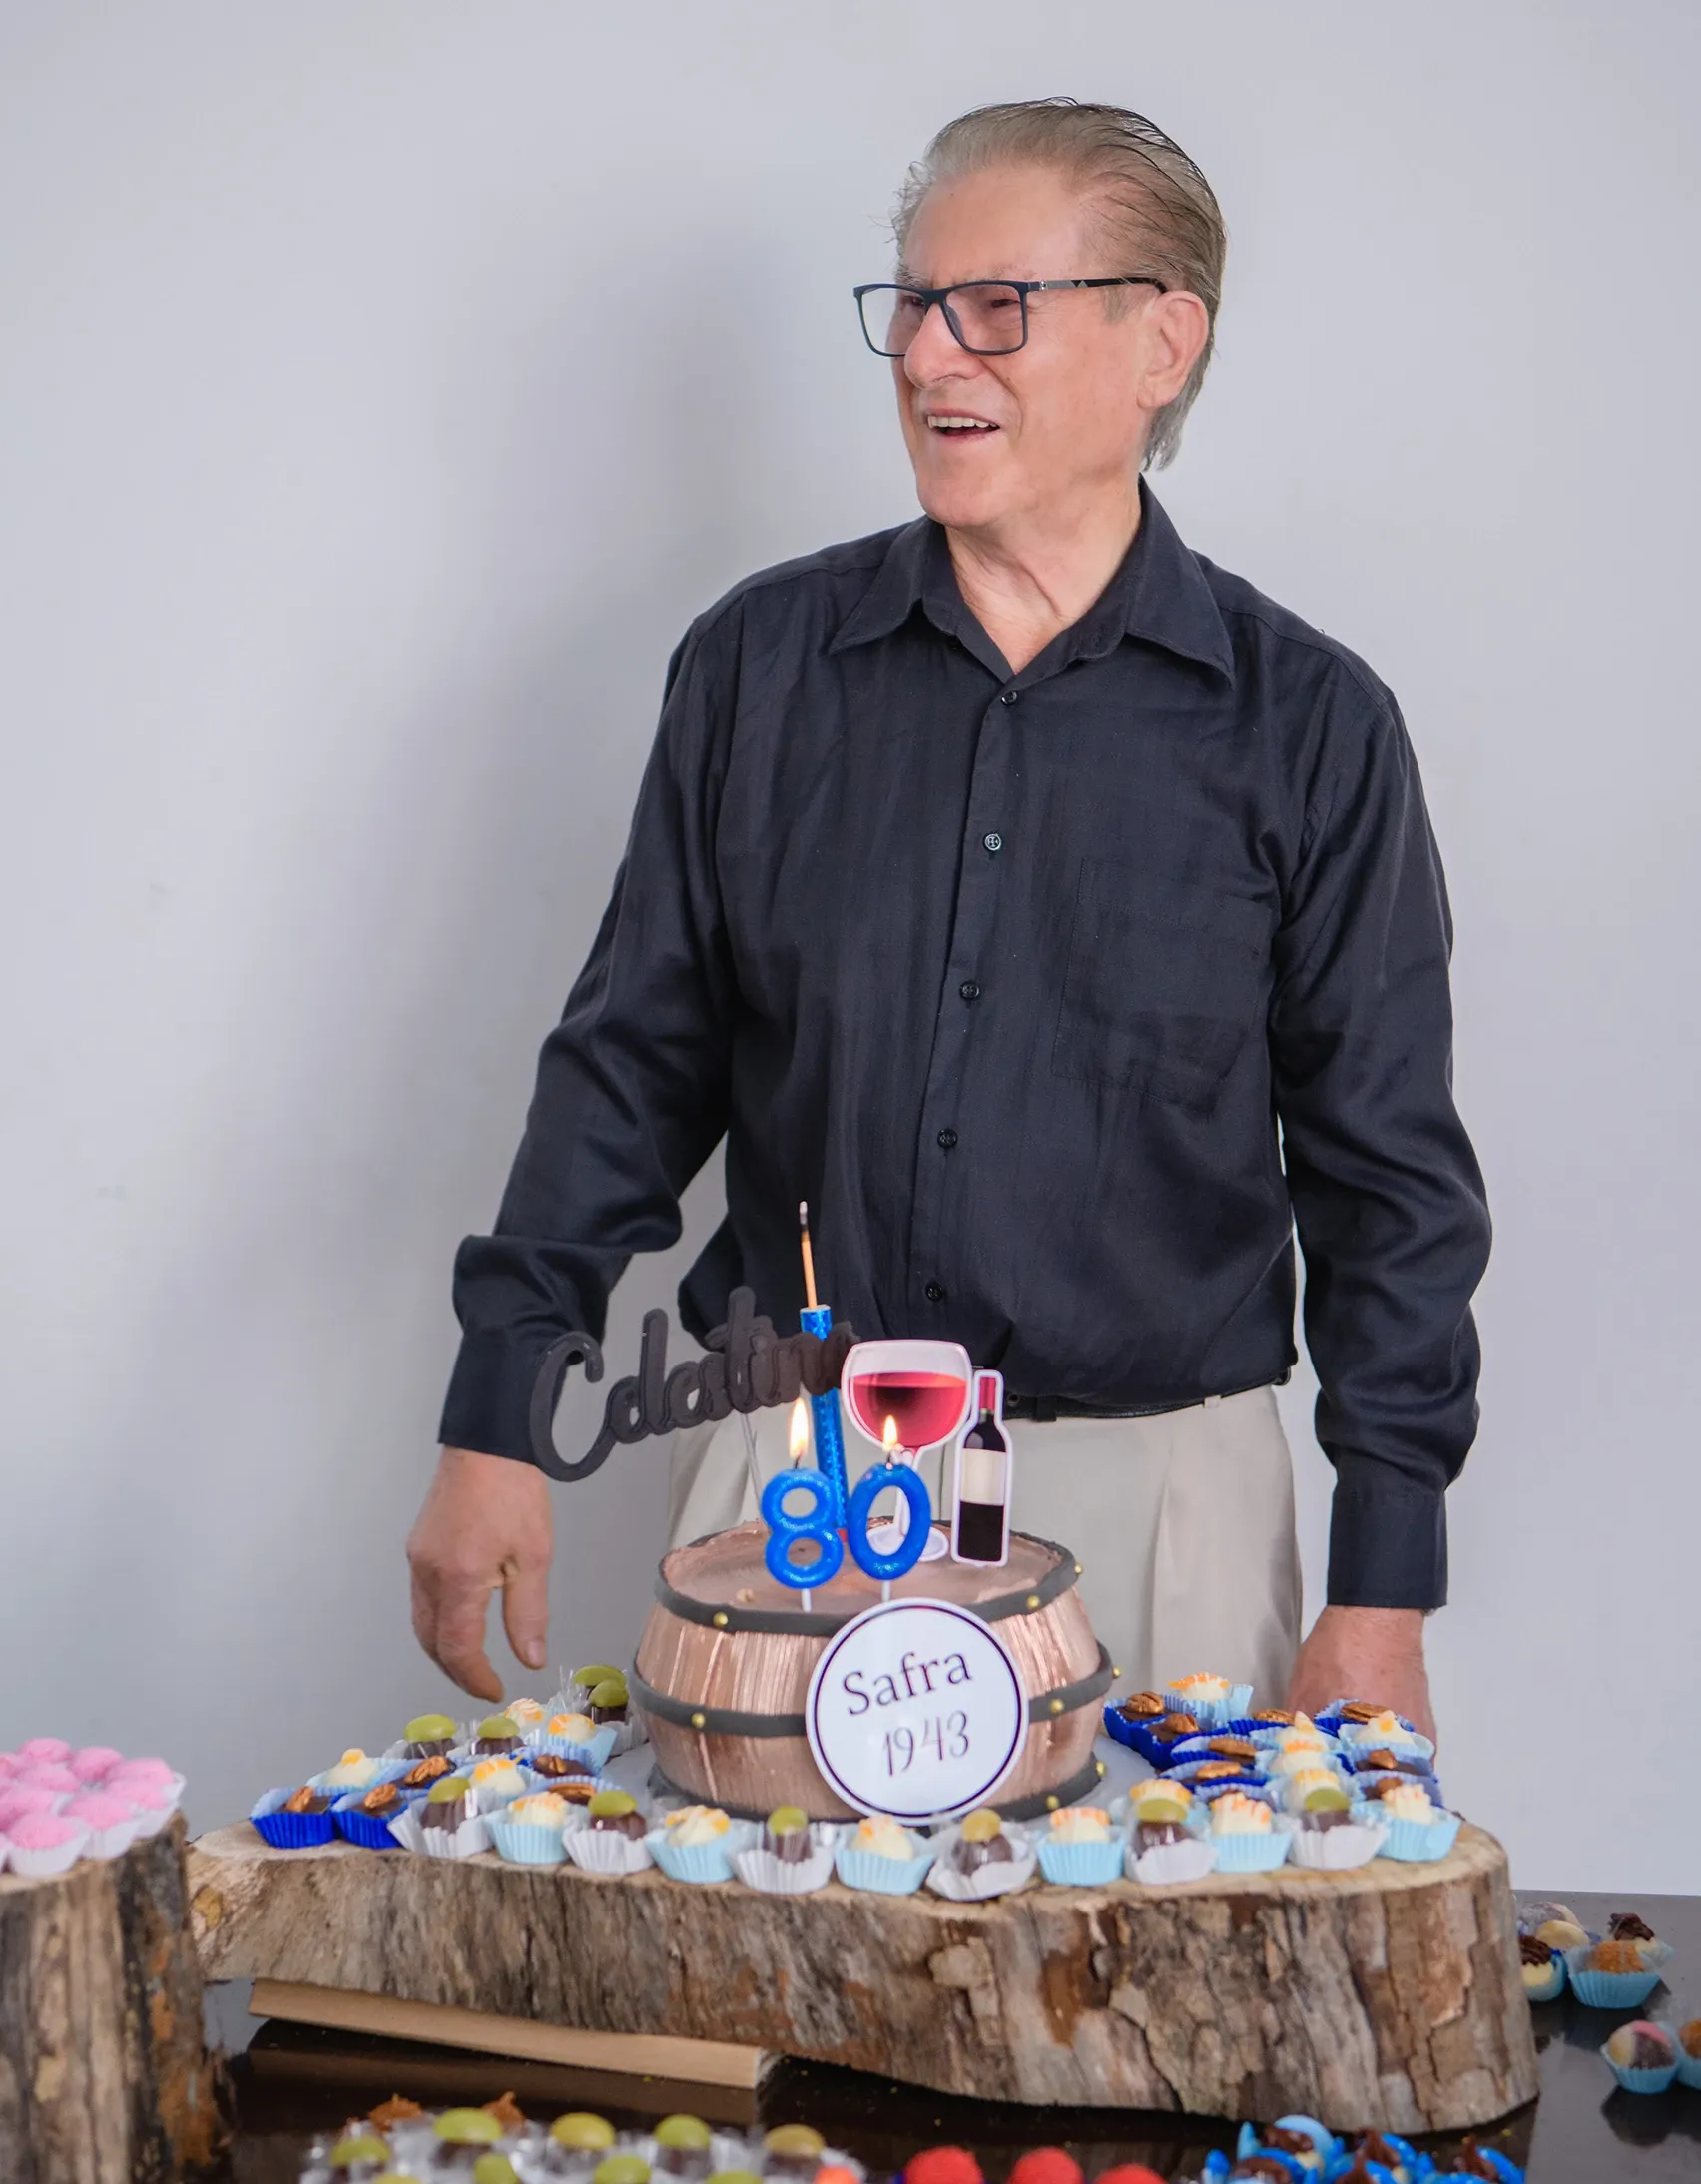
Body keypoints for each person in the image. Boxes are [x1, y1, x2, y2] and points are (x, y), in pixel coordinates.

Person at [408, 99, 1488, 1739]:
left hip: (1165, 1515)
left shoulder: (1313, 727)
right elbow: (628, 1069)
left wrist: (1384, 1585)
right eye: (911, 306)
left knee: (1149, 1990)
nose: (929, 357)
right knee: (750, 1983)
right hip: (795, 1479)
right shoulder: (755, 669)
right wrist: (498, 1411)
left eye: (996, 308)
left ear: (1161, 343)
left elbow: (1387, 1186)